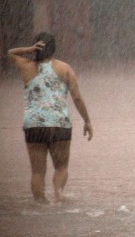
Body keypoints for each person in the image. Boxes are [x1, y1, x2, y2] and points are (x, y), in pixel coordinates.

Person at [8, 32, 93, 204]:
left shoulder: (26, 66)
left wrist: (28, 49)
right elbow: (77, 98)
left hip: (34, 125)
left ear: (36, 48)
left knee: (37, 172)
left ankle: (40, 204)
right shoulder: (65, 68)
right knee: (61, 167)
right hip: (59, 124)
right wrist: (87, 121)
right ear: (54, 48)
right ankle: (58, 193)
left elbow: (10, 53)